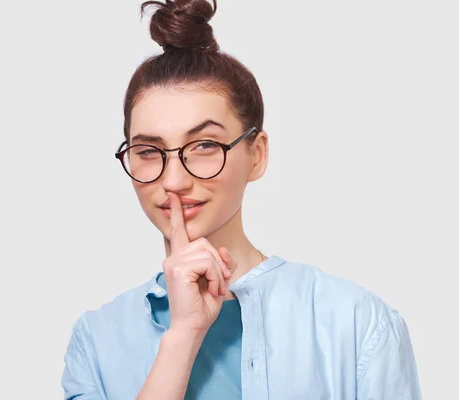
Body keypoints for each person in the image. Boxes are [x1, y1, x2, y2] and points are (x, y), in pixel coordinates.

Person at [61, 0, 421, 398]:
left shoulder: (356, 323)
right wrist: (182, 336)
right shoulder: (96, 341)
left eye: (204, 145)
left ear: (257, 154)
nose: (174, 180)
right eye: (148, 151)